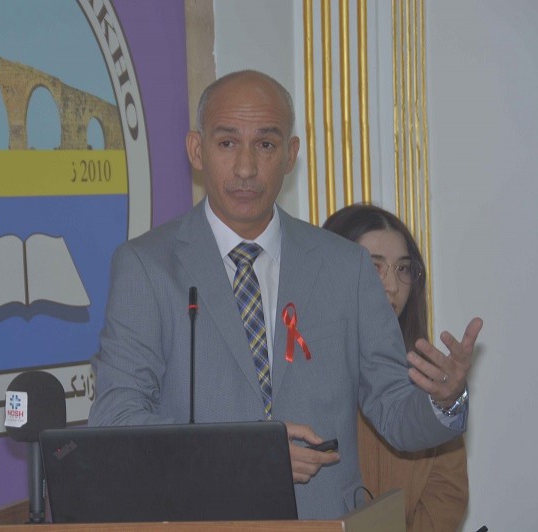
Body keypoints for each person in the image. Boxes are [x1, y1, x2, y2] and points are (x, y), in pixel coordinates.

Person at [88, 70, 482, 520]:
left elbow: (394, 411)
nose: (246, 168)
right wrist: (251, 456)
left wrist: (444, 401)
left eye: (265, 144)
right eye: (227, 143)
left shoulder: (345, 266)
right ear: (196, 150)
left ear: (290, 154)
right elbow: (115, 418)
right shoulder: (147, 267)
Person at [324, 203, 469, 531]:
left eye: (403, 268)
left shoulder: (430, 381)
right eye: (373, 266)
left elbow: (447, 494)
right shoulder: (299, 373)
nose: (391, 285)